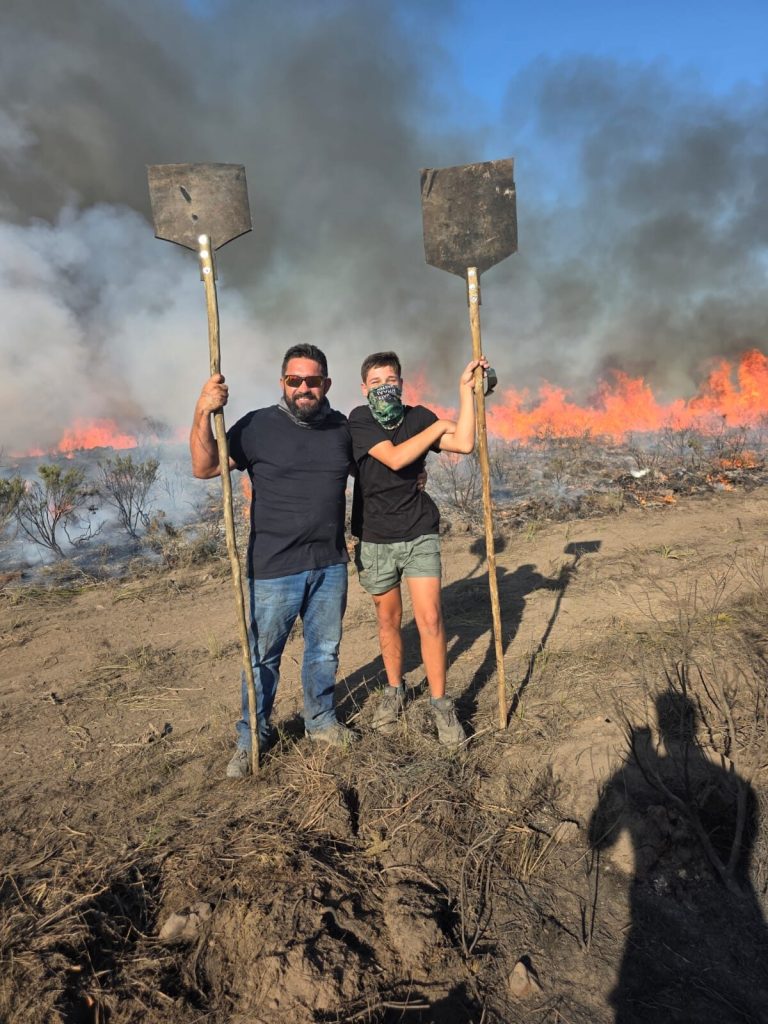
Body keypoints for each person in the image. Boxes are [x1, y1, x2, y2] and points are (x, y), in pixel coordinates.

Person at [190, 344, 357, 777]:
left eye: (312, 381)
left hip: (330, 563)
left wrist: (416, 474)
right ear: (282, 382)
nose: (303, 388)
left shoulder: (343, 429)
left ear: (326, 384)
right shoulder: (257, 426)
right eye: (294, 380)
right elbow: (205, 467)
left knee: (324, 651)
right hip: (273, 567)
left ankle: (321, 722)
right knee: (263, 657)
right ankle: (252, 737)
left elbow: (377, 470)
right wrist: (203, 410)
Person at [348, 351, 488, 747]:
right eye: (376, 382)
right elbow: (394, 459)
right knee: (388, 620)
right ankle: (395, 690)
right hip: (375, 538)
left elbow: (464, 441)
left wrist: (465, 392)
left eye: (390, 380)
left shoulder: (420, 417)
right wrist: (439, 426)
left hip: (418, 532)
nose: (384, 387)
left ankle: (440, 703)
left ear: (402, 383)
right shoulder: (359, 420)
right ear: (364, 388)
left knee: (431, 618)